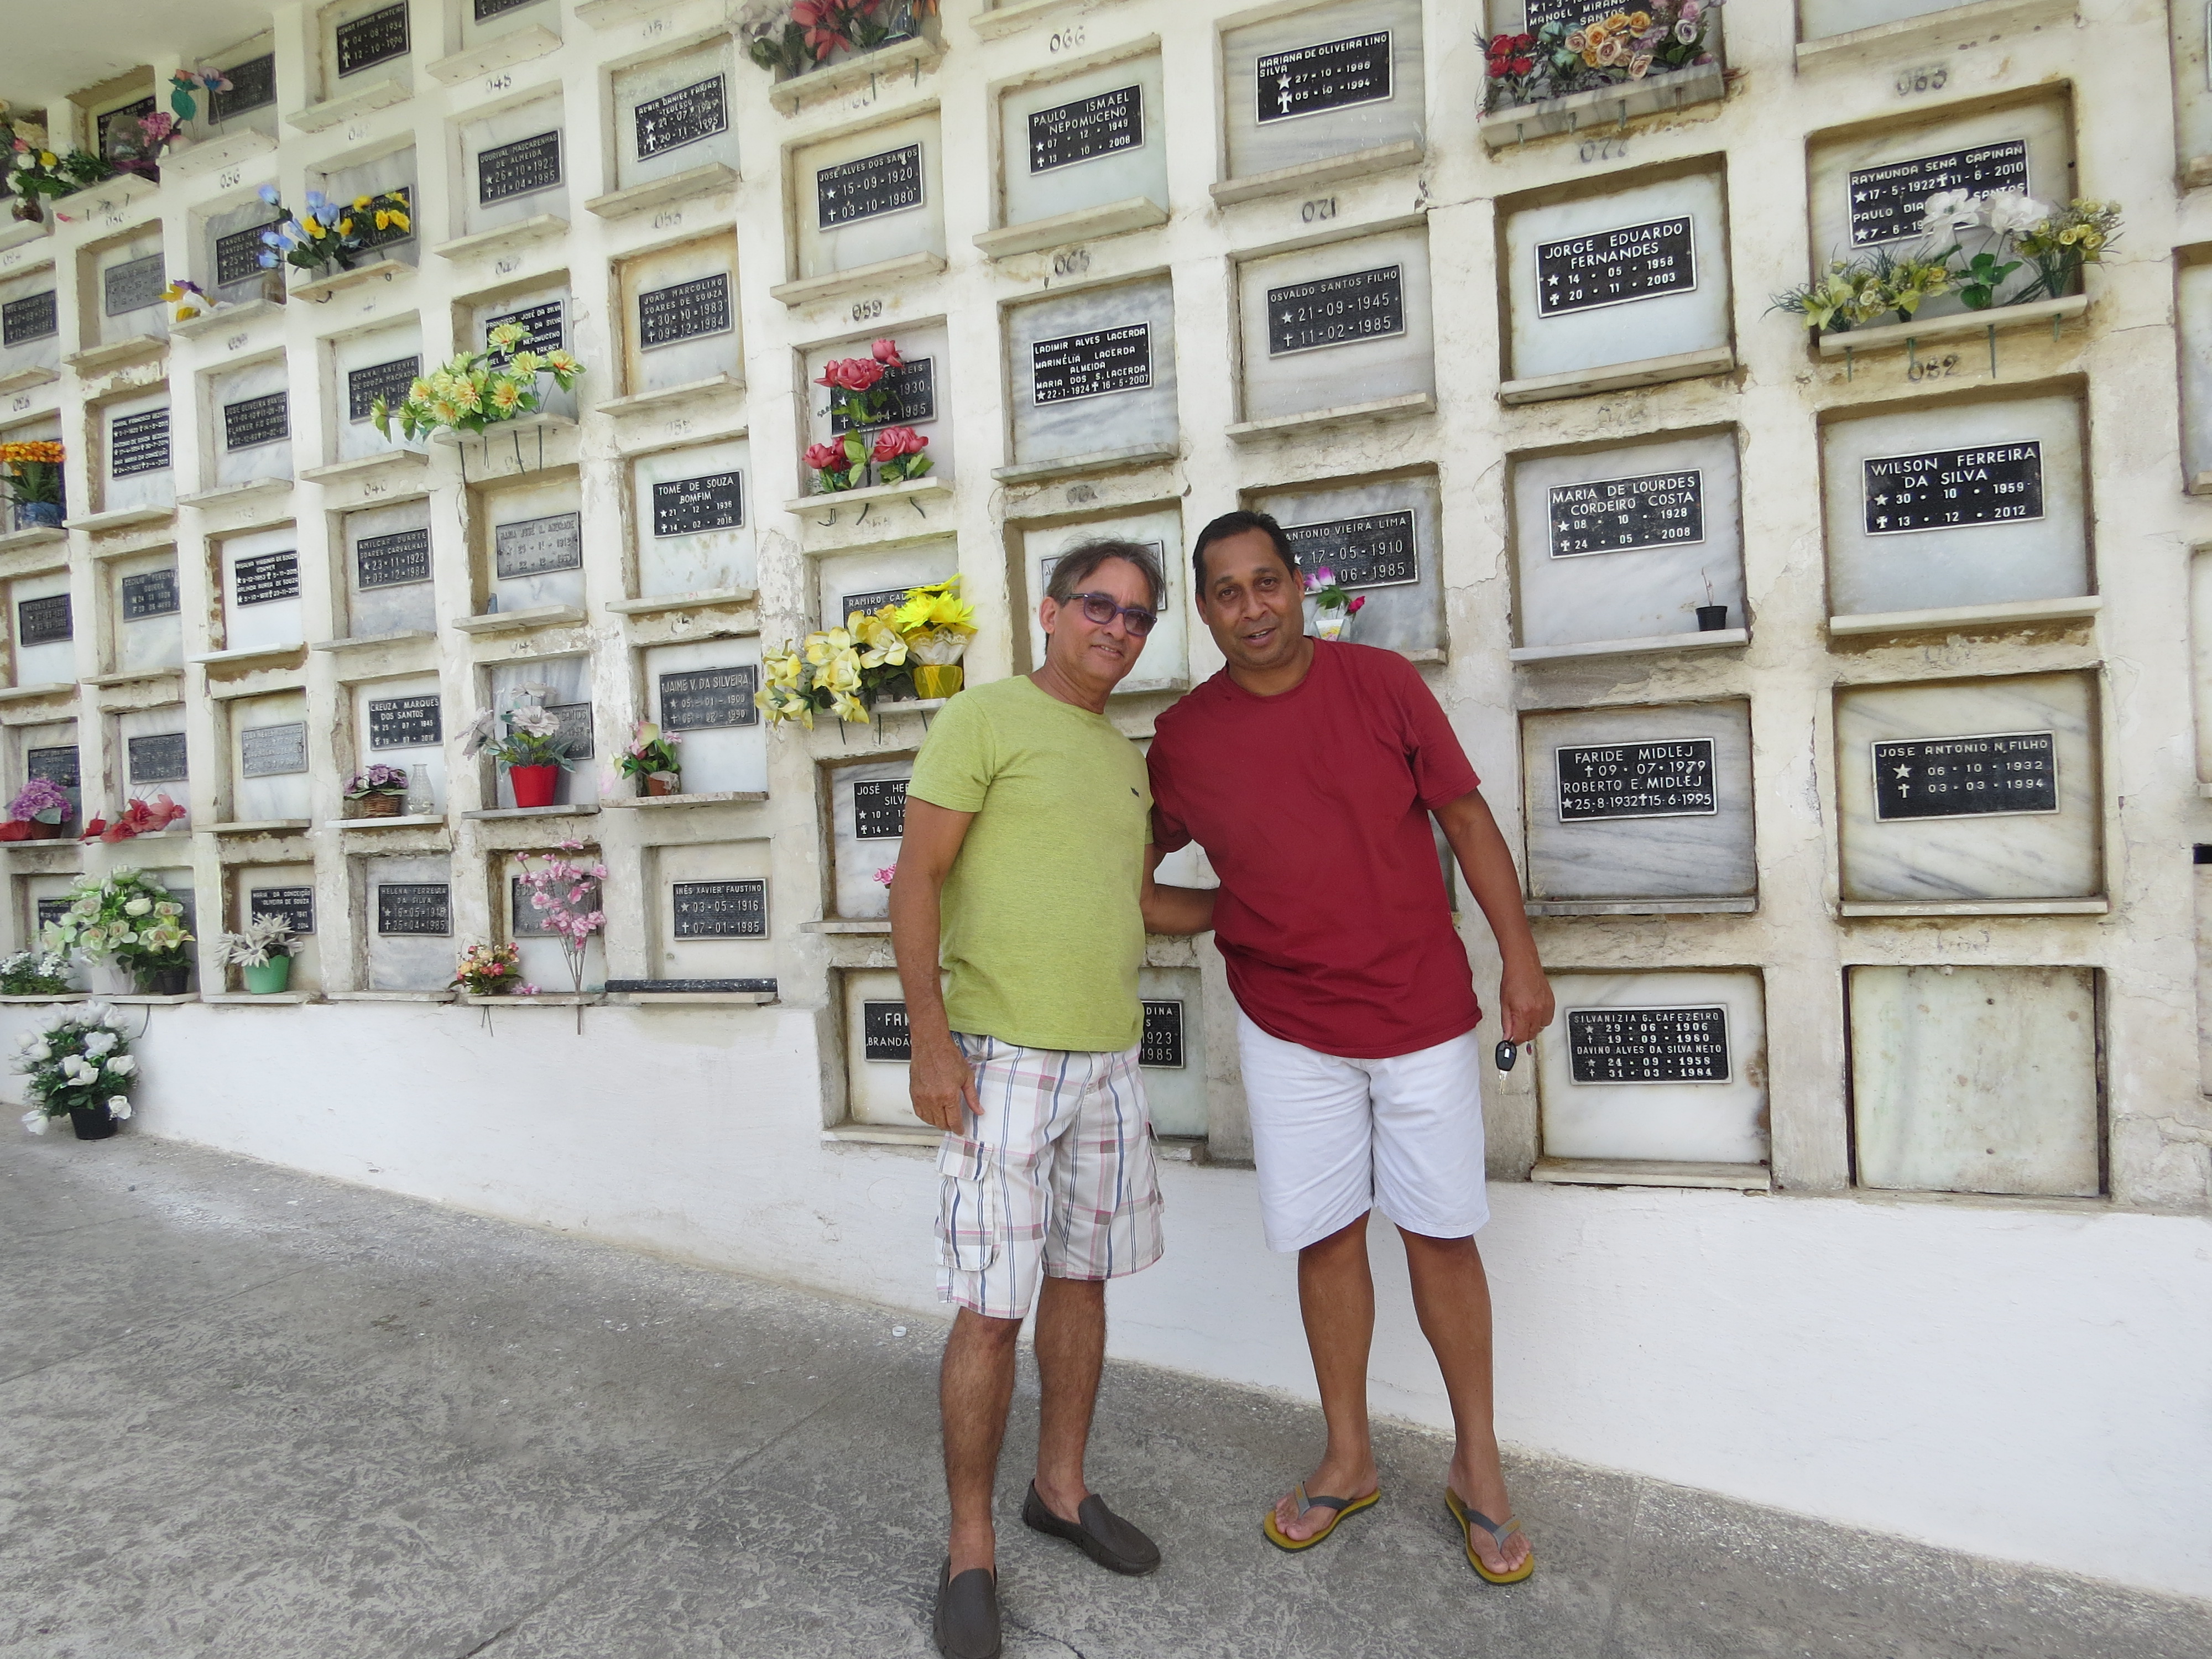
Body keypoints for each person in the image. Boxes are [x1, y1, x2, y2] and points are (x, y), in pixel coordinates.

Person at [1141, 510, 1556, 1585]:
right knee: (1325, 1238)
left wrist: (1519, 962)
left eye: (1266, 582)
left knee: (1440, 1235)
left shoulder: (1381, 684)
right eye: (1226, 592)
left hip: (1418, 1012)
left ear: (1296, 587)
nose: (1252, 608)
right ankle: (1348, 1456)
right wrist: (1236, 913)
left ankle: (1476, 1464)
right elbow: (1128, 885)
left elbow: (1467, 821)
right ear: (1204, 614)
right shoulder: (1184, 740)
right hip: (1289, 1030)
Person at [890, 540, 1209, 1659]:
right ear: (1051, 611)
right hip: (1001, 1062)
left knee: (1081, 1283)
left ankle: (1060, 1492)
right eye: (1098, 606)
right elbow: (917, 876)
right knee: (992, 1308)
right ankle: (969, 1545)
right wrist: (929, 1038)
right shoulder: (982, 718)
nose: (1117, 628)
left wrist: (1257, 907)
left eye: (1137, 616)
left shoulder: (1123, 759)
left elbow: (1138, 902)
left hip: (1108, 1060)